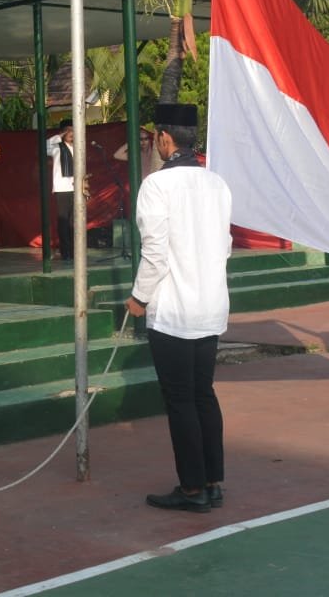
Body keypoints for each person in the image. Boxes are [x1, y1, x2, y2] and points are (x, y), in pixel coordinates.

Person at [125, 103, 233, 513]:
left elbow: (155, 252)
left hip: (174, 307)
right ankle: (212, 480)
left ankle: (192, 489)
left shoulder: (157, 186)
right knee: (203, 393)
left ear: (165, 139)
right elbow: (223, 245)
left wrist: (139, 296)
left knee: (181, 399)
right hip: (209, 304)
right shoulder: (217, 184)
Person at [45, 119, 79, 259]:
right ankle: (65, 252)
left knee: (74, 222)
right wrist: (60, 135)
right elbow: (45, 145)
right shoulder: (56, 147)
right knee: (64, 221)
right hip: (62, 188)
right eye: (68, 130)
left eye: (73, 130)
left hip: (76, 187)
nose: (71, 133)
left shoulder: (78, 147)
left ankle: (74, 251)